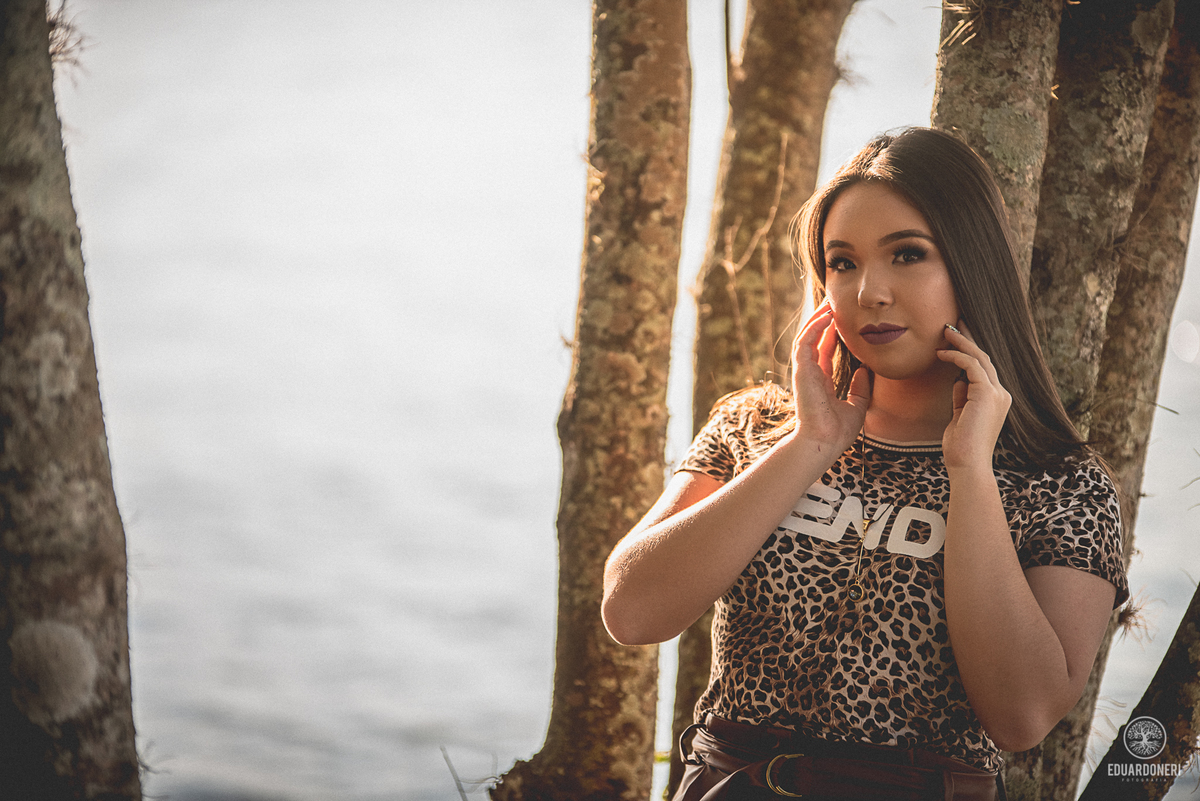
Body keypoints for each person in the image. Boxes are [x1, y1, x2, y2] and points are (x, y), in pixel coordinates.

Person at [601, 127, 1128, 801]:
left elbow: (1022, 714)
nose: (869, 292)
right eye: (842, 263)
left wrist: (970, 471)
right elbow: (631, 611)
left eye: (907, 254)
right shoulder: (753, 426)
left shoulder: (1059, 481)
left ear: (970, 264)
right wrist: (810, 445)